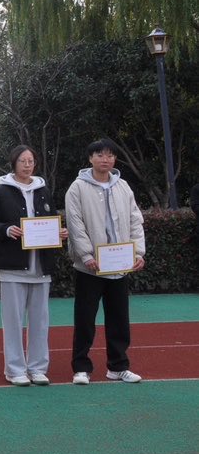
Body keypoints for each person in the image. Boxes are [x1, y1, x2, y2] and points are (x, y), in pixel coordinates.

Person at [0, 145, 67, 386]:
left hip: (41, 267)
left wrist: (58, 233)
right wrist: (7, 230)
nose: (27, 165)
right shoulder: (0, 192)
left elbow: (51, 221)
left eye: (31, 161)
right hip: (13, 268)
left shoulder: (43, 191)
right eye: (23, 161)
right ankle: (15, 369)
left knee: (40, 322)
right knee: (13, 322)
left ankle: (38, 368)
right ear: (14, 163)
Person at [64, 138, 146, 385]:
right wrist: (87, 255)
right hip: (90, 268)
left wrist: (138, 253)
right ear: (90, 158)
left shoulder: (123, 186)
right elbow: (75, 224)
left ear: (115, 159)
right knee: (85, 319)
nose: (105, 159)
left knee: (119, 318)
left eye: (110, 155)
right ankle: (81, 368)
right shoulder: (77, 188)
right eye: (99, 155)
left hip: (119, 266)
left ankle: (118, 366)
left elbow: (135, 220)